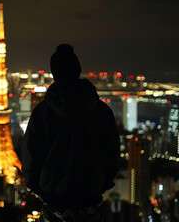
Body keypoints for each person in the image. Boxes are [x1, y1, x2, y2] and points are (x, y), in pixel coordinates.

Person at [21, 44, 120, 222]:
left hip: (53, 196)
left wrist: (39, 187)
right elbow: (112, 155)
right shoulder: (102, 111)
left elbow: (30, 155)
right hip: (89, 195)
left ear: (54, 73)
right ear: (77, 69)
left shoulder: (42, 112)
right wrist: (100, 184)